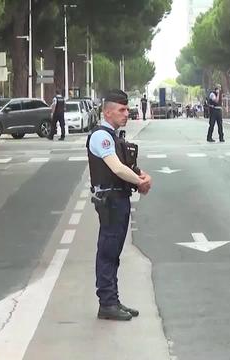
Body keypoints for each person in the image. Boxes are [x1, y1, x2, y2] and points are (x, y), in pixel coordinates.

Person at [87, 89, 153, 321]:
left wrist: (142, 176)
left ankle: (113, 300)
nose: (126, 113)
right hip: (110, 201)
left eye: (127, 109)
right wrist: (141, 183)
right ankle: (107, 303)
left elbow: (128, 165)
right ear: (107, 112)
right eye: (121, 110)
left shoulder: (114, 136)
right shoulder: (101, 137)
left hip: (119, 199)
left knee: (114, 253)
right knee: (108, 252)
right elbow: (116, 168)